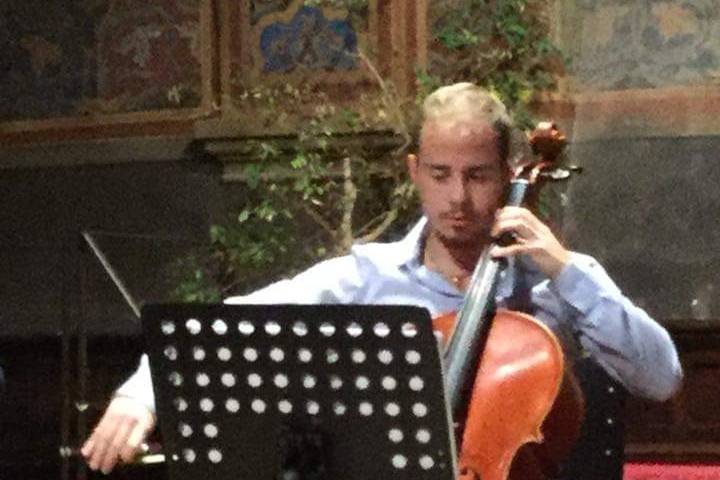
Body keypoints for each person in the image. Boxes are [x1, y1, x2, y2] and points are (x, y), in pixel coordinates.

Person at [82, 82, 683, 474]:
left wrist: (566, 269)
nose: (458, 198)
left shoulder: (554, 285)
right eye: (441, 174)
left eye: (477, 176)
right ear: (414, 172)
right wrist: (143, 394)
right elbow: (228, 324)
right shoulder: (364, 279)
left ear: (507, 176)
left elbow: (662, 377)